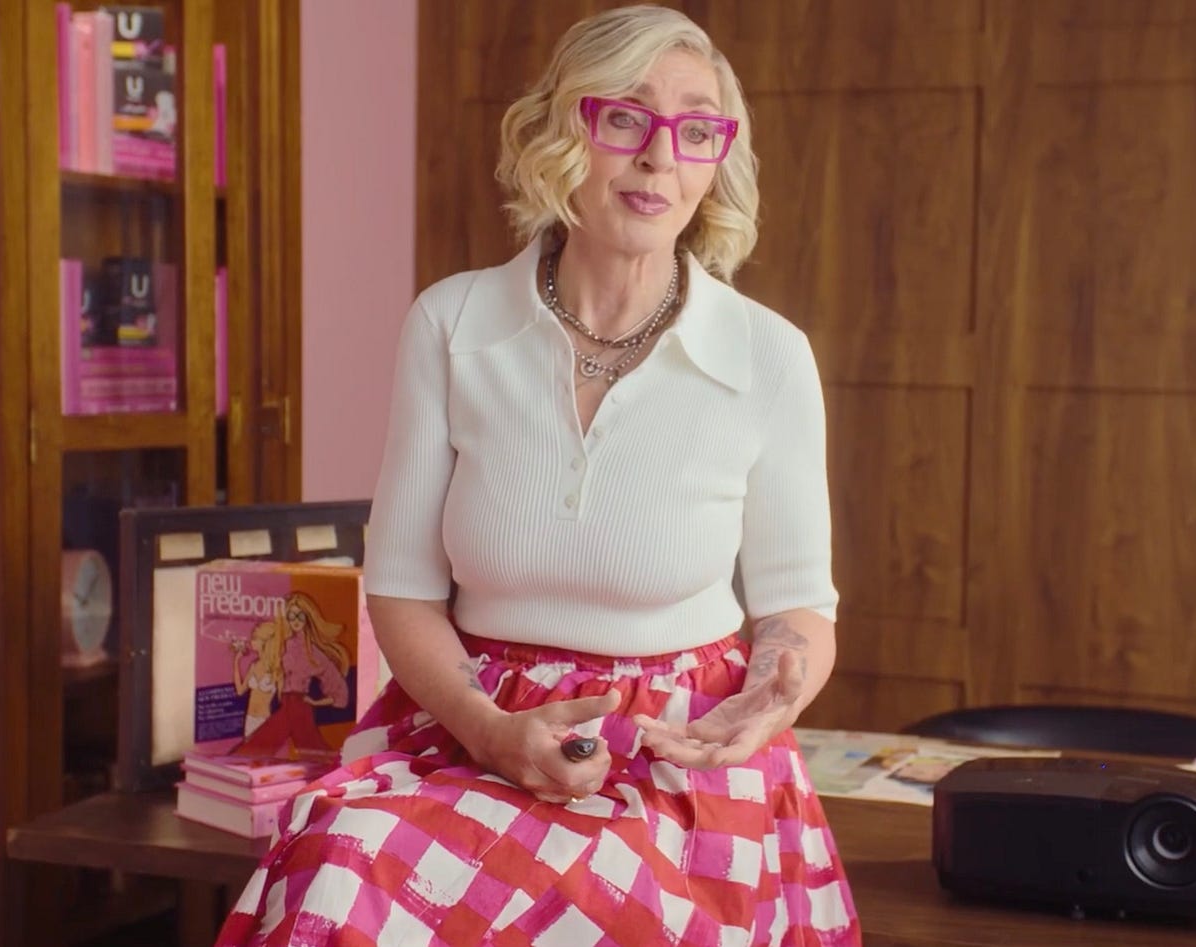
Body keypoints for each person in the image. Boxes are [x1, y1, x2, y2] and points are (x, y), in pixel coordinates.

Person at [215, 5, 860, 944]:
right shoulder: (450, 324)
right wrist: (488, 728)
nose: (660, 157)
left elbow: (800, 606)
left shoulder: (770, 355)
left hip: (681, 756)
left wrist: (773, 693)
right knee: (338, 869)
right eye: (626, 118)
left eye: (696, 130)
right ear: (563, 131)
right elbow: (402, 589)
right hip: (468, 730)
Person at [231, 591, 351, 759]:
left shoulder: (313, 653)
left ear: (307, 618)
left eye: (300, 616)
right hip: (285, 705)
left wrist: (316, 702)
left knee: (312, 752)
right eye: (291, 616)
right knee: (259, 747)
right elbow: (264, 650)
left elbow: (337, 686)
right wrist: (239, 652)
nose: (296, 621)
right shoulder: (282, 645)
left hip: (300, 706)